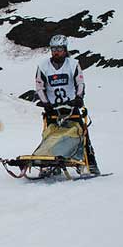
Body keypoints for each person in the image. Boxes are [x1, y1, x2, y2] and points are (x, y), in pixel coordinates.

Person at [35, 34, 100, 174]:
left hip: (71, 107)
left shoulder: (73, 64)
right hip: (53, 109)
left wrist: (78, 97)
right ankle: (48, 164)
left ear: (65, 49)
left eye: (59, 49)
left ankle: (91, 164)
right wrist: (45, 103)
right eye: (53, 49)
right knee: (49, 135)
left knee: (82, 135)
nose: (56, 52)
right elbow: (39, 87)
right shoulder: (43, 66)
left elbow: (80, 83)